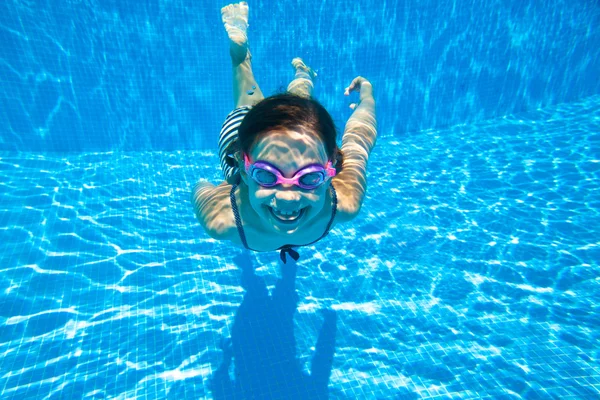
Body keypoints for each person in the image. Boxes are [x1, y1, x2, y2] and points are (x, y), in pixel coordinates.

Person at [192, 1, 377, 263]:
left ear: (331, 167)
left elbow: (362, 138)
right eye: (267, 175)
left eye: (310, 178)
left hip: (266, 142)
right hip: (239, 133)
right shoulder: (222, 219)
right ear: (245, 170)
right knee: (250, 98)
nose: (288, 198)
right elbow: (358, 139)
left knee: (301, 108)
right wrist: (367, 94)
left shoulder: (345, 203)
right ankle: (241, 56)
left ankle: (302, 74)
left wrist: (367, 92)